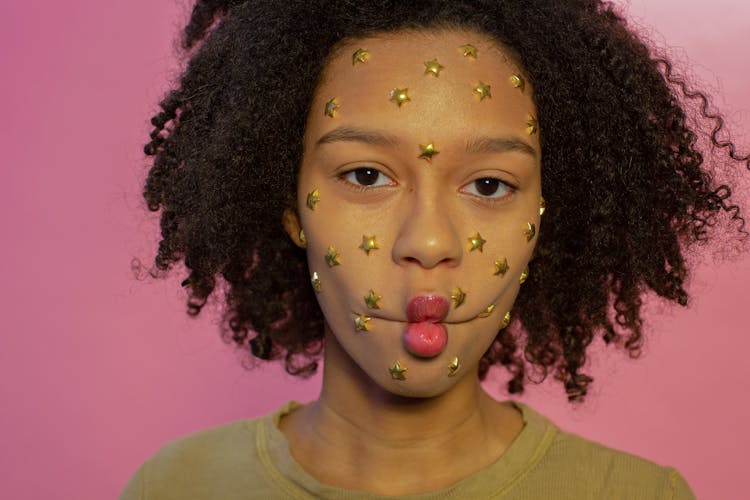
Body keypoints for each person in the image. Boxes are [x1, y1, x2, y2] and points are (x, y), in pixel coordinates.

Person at [121, 1, 747, 498]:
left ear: (545, 212)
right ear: (289, 203)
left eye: (490, 185)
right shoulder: (176, 488)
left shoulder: (634, 496)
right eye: (366, 176)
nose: (428, 243)